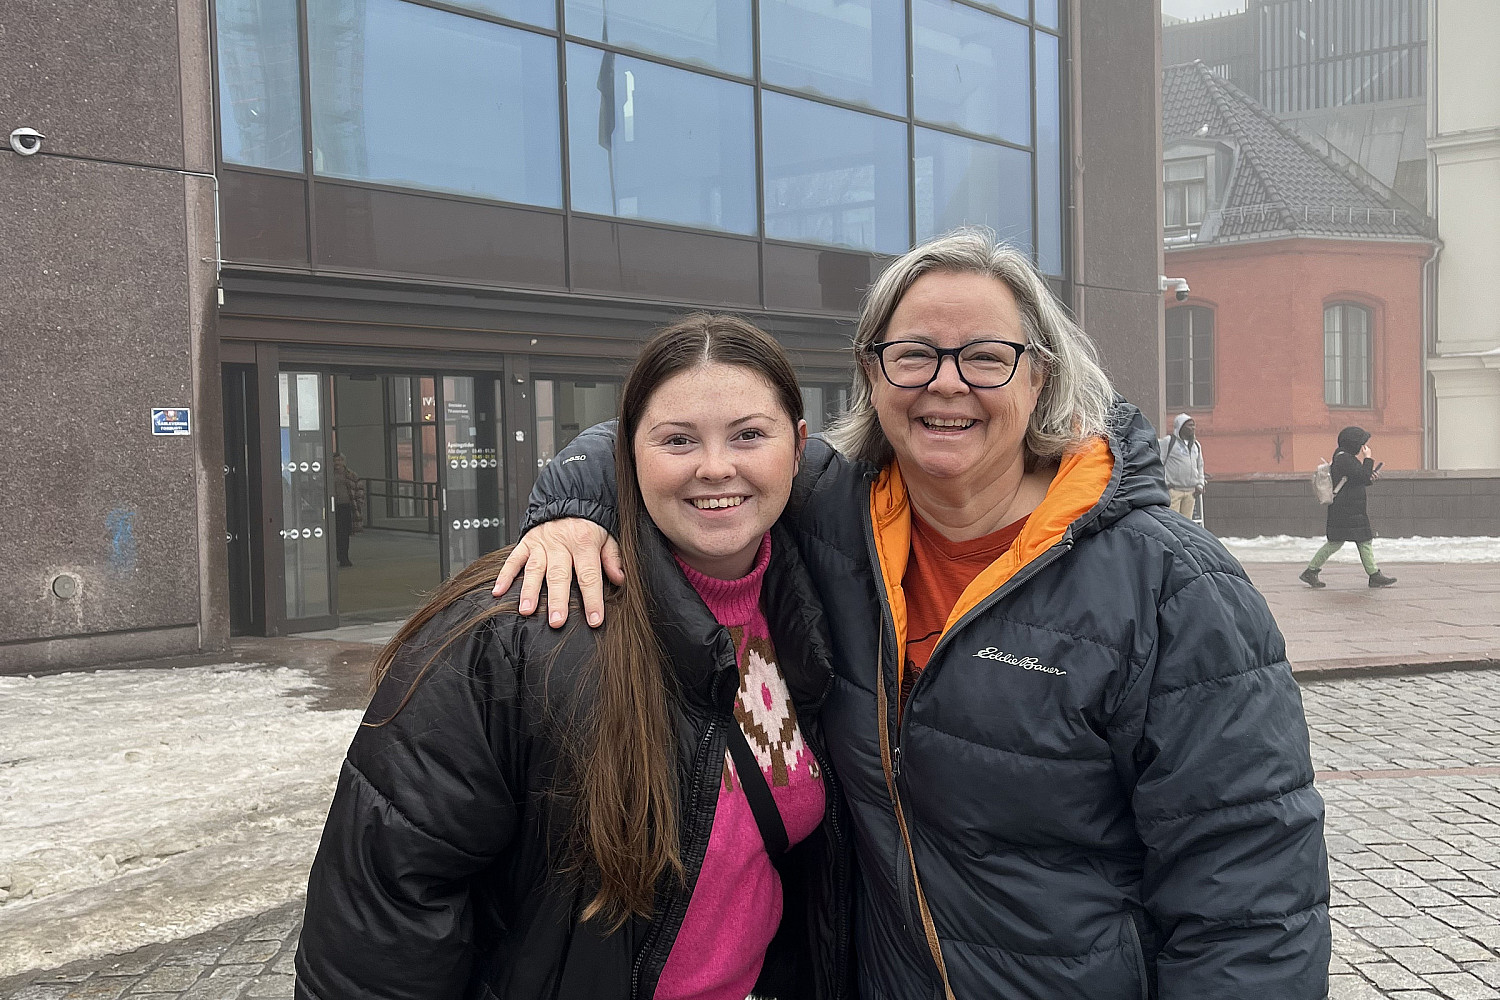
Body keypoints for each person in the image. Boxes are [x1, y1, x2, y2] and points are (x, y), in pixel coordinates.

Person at [496, 229, 1330, 997]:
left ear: (1040, 375)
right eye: (914, 354)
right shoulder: (831, 510)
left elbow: (1249, 902)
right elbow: (685, 431)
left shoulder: (1172, 588)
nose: (945, 381)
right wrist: (574, 508)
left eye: (986, 356)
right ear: (871, 372)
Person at [296, 315, 852, 1000]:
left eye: (748, 435)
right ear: (627, 453)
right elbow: (380, 926)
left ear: (796, 448)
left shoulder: (809, 609)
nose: (716, 466)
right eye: (677, 439)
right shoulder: (516, 631)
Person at [1300, 425, 1396, 589]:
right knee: (1343, 542)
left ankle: (1374, 575)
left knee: (1358, 541)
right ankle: (1311, 571)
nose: (1363, 447)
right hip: (1347, 510)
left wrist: (1369, 476)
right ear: (1353, 444)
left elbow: (1358, 478)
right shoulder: (1344, 458)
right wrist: (1368, 459)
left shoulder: (1344, 457)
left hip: (1350, 509)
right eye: (1361, 444)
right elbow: (1362, 476)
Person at [1159, 413, 1205, 520]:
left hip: (1191, 492)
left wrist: (1200, 484)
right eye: (1189, 425)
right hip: (1173, 490)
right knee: (1173, 522)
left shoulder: (1196, 445)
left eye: (1193, 425)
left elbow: (1200, 466)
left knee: (1187, 524)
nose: (1193, 428)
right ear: (1180, 426)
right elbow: (1159, 462)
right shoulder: (1168, 442)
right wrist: (1165, 482)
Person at [331, 452, 363, 567]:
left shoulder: (351, 475)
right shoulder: (328, 474)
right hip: (333, 508)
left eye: (339, 460)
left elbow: (359, 488)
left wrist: (359, 503)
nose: (337, 463)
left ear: (344, 462)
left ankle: (344, 557)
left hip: (346, 506)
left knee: (344, 533)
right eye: (335, 460)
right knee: (334, 533)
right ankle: (338, 555)